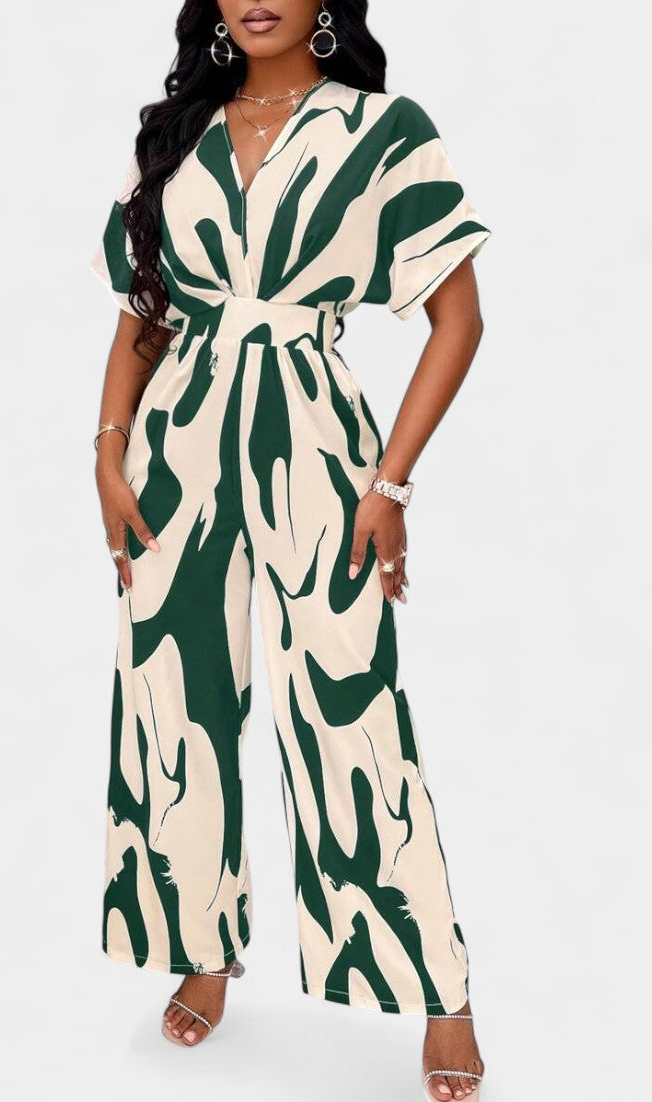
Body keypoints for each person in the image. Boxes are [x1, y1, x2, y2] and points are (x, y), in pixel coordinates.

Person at [89, 3, 491, 1099]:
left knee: (351, 708)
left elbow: (458, 320)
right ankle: (202, 949)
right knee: (174, 703)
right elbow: (142, 313)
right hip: (173, 453)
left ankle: (439, 988)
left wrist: (390, 483)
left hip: (314, 448)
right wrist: (108, 452)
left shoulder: (385, 129)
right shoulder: (176, 133)